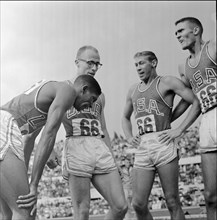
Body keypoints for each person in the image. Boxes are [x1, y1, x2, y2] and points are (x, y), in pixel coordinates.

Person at [17, 45, 128, 220]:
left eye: (98, 64)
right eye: (90, 63)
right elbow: (43, 127)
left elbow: (103, 129)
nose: (94, 68)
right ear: (77, 62)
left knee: (121, 206)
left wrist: (112, 157)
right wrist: (50, 150)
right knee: (82, 211)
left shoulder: (99, 96)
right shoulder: (64, 89)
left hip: (99, 147)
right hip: (76, 146)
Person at [0, 74, 102, 220]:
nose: (91, 105)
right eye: (92, 99)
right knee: (25, 211)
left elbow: (30, 138)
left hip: (4, 125)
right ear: (84, 89)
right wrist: (34, 185)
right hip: (5, 124)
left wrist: (26, 176)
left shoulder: (49, 97)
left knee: (6, 214)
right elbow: (49, 134)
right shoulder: (68, 91)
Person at [122, 50, 201, 220]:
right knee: (138, 204)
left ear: (154, 63)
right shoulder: (133, 90)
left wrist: (179, 128)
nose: (138, 68)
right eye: (136, 64)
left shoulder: (166, 82)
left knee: (172, 201)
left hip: (163, 142)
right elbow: (125, 117)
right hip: (143, 145)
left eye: (142, 63)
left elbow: (194, 99)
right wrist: (129, 136)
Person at [174, 17, 217, 220]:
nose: (178, 36)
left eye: (182, 31)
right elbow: (189, 100)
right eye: (176, 33)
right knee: (210, 196)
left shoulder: (213, 48)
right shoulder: (184, 67)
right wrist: (169, 120)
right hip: (206, 120)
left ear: (196, 30)